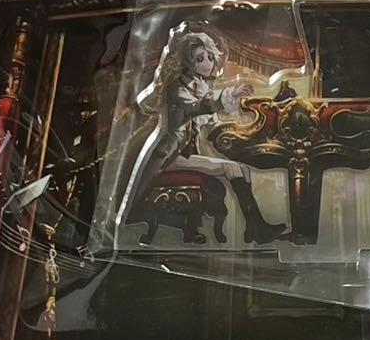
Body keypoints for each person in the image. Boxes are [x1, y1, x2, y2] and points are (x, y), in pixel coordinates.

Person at [116, 28, 287, 245]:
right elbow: (199, 106)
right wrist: (230, 93)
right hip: (168, 156)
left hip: (184, 154)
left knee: (242, 169)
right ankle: (257, 230)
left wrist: (240, 131)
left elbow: (213, 121)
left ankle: (255, 228)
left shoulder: (200, 86)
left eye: (209, 57)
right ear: (188, 63)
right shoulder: (176, 88)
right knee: (233, 169)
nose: (208, 64)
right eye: (200, 59)